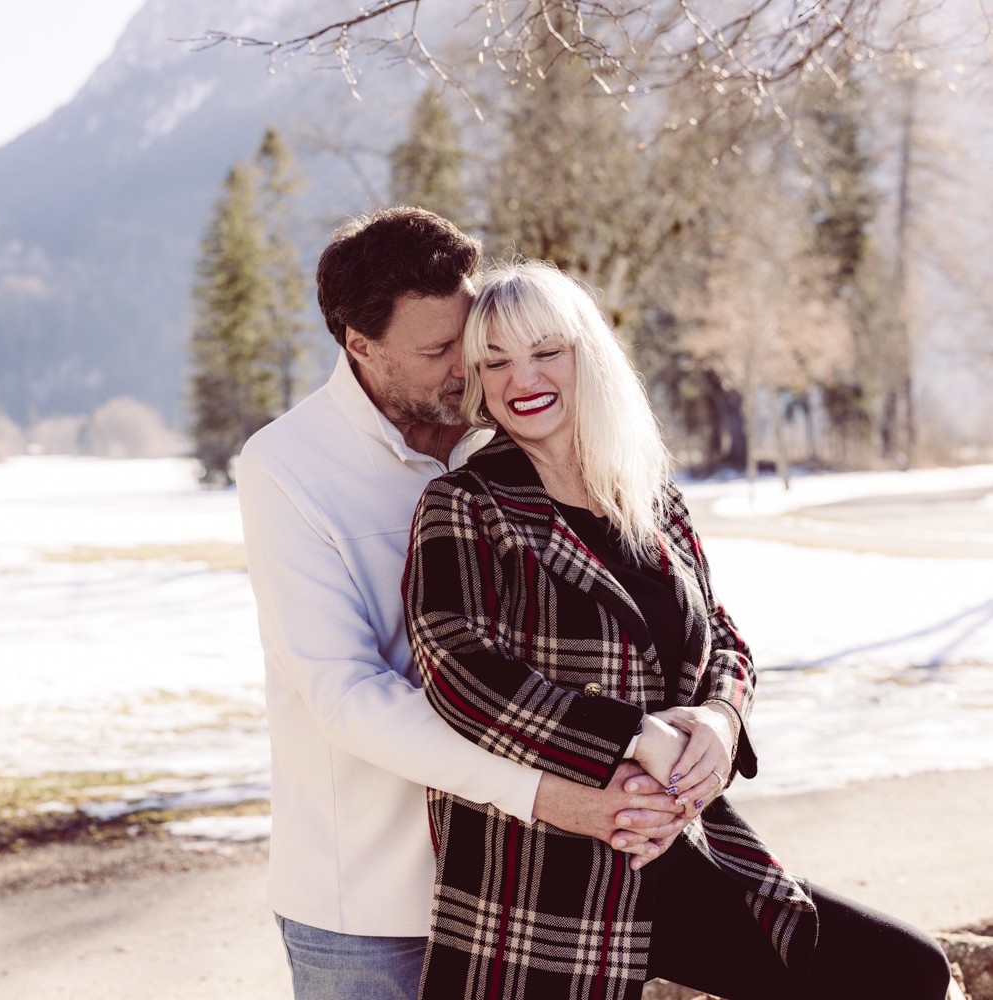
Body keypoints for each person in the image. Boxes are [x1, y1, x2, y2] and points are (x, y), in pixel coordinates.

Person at [404, 257, 952, 999]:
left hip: (677, 839)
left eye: (544, 351)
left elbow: (722, 636)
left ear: (586, 355)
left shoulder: (649, 499)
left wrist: (721, 721)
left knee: (904, 969)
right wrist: (633, 736)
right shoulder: (466, 503)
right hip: (548, 873)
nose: (520, 379)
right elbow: (457, 669)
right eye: (494, 361)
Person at [236, 209, 693, 1000]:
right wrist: (559, 799)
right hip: (375, 903)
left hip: (527, 881)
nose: (467, 369)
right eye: (437, 351)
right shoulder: (287, 466)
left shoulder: (511, 436)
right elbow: (347, 695)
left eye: (469, 338)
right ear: (360, 348)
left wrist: (687, 737)